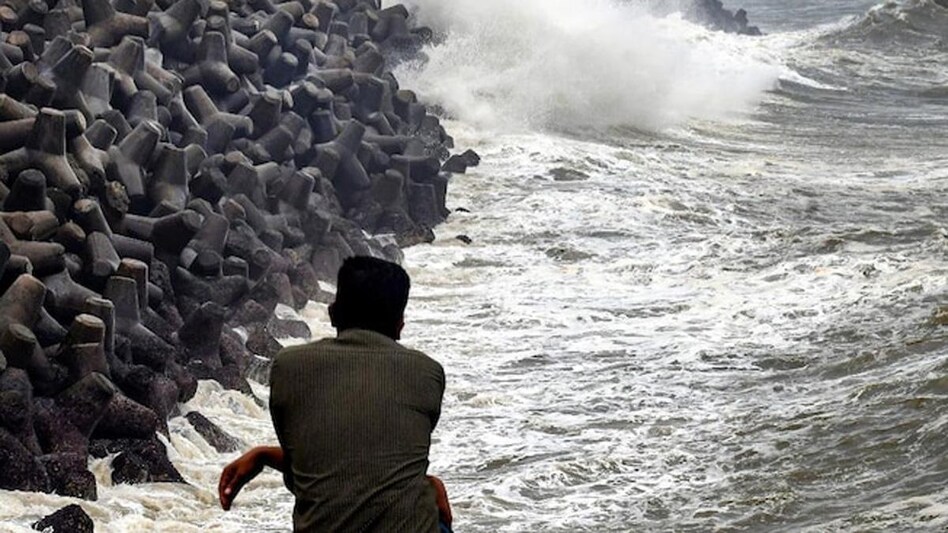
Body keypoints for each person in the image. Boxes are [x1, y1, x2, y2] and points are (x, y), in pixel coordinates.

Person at [219, 256, 453, 532]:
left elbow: (312, 464)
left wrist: (263, 455)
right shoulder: (426, 372)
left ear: (332, 313)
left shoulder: (289, 366)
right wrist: (431, 484)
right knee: (430, 495)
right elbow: (377, 461)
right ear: (400, 323)